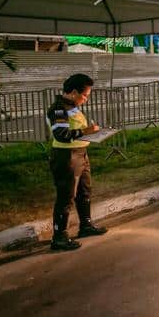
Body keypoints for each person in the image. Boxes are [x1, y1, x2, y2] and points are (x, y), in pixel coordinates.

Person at [46, 73, 106, 251]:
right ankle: (59, 237)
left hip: (81, 153)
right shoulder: (58, 109)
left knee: (84, 191)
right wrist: (86, 131)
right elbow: (62, 135)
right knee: (66, 196)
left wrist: (91, 133)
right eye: (85, 95)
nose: (86, 99)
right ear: (73, 92)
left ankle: (86, 226)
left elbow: (76, 130)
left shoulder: (72, 106)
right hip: (66, 157)